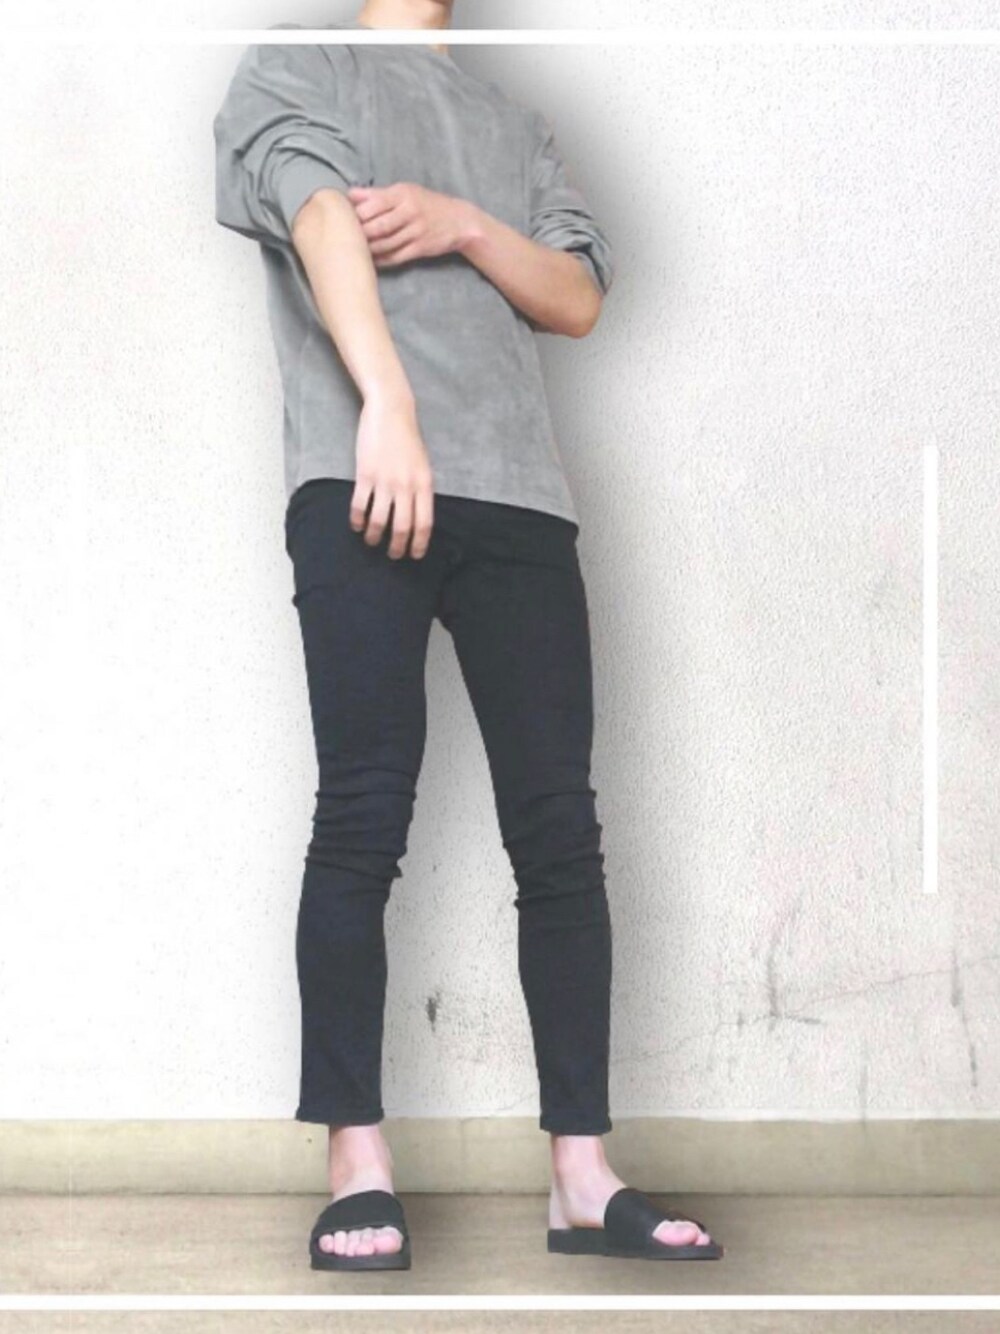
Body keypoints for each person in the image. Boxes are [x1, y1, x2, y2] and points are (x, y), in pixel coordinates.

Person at [213, 0, 723, 1272]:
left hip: (520, 499)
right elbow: (319, 215)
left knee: (560, 833)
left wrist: (464, 223)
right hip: (365, 476)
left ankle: (580, 1176)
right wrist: (386, 402)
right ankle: (356, 1162)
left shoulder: (513, 125)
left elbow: (577, 297)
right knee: (363, 814)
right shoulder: (301, 59)